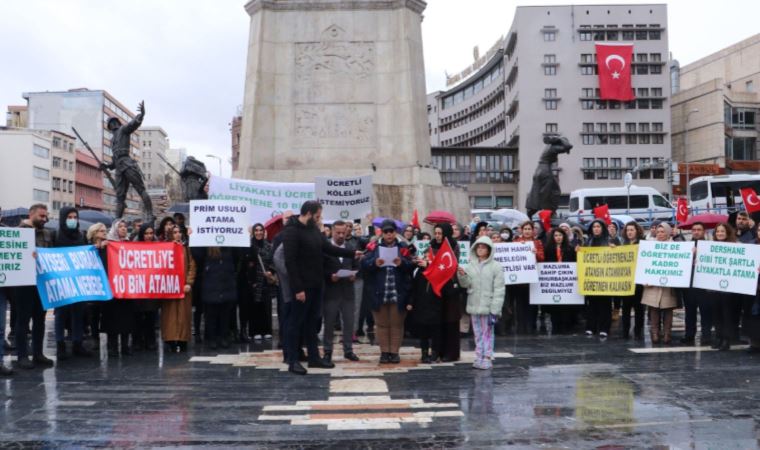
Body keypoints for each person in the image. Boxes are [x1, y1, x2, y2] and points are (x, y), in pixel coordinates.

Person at [282, 201, 359, 375]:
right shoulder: (292, 231)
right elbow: (290, 262)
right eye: (318, 216)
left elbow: (328, 248)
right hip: (302, 287)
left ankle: (314, 358)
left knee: (312, 323)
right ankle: (293, 360)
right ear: (308, 213)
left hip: (317, 285)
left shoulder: (313, 230)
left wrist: (353, 253)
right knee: (296, 324)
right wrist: (298, 289)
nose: (319, 219)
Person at [363, 219, 414, 364]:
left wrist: (402, 263)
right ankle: (384, 352)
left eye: (391, 231)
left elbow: (411, 265)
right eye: (386, 232)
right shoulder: (374, 247)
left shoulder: (403, 247)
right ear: (382, 233)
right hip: (379, 292)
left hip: (398, 292)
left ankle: (394, 352)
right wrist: (374, 263)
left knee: (396, 324)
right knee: (382, 324)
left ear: (395, 232)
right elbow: (364, 264)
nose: (389, 234)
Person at [411, 223, 461, 363]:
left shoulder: (453, 246)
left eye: (440, 233)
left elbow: (450, 266)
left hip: (449, 287)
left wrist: (430, 266)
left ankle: (449, 353)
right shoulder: (431, 245)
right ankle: (435, 351)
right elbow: (426, 260)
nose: (437, 236)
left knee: (449, 321)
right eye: (436, 233)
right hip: (434, 290)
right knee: (436, 323)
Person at [14, 204, 55, 369]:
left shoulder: (47, 234)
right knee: (23, 320)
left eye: (46, 216)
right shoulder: (18, 231)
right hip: (24, 284)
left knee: (40, 319)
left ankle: (38, 353)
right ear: (31, 215)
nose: (44, 219)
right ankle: (22, 356)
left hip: (41, 283)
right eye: (41, 216)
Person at [52, 207, 93, 360]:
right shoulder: (56, 235)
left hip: (79, 280)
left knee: (78, 312)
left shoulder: (81, 235)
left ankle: (77, 343)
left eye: (74, 217)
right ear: (63, 218)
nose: (72, 219)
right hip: (61, 280)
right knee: (61, 314)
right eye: (69, 217)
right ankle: (60, 345)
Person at [457, 236, 505, 370]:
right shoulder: (470, 265)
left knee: (487, 333)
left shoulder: (496, 266)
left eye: (483, 247)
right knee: (477, 333)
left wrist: (495, 308)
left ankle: (487, 357)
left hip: (488, 305)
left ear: (489, 250)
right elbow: (466, 284)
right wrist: (462, 275)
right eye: (478, 246)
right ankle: (479, 356)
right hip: (474, 304)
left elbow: (499, 289)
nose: (480, 249)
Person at [101, 101, 153, 220]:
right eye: (111, 123)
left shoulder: (123, 130)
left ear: (118, 123)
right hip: (119, 168)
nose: (113, 125)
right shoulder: (111, 141)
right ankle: (117, 222)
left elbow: (133, 124)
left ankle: (150, 214)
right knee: (120, 197)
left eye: (114, 122)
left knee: (140, 189)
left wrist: (142, 115)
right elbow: (114, 162)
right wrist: (107, 166)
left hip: (127, 163)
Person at [322, 220, 360, 363]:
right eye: (337, 233)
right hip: (331, 291)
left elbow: (357, 265)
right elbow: (320, 268)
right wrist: (330, 276)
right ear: (332, 231)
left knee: (349, 322)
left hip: (347, 291)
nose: (340, 235)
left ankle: (348, 350)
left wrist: (354, 275)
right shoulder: (325, 247)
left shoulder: (351, 247)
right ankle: (327, 351)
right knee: (330, 323)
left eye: (343, 233)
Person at [642, 222, 679, 345]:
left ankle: (667, 333)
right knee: (654, 309)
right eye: (658, 232)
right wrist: (644, 279)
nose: (660, 234)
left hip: (669, 285)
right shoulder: (650, 246)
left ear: (668, 233)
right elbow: (644, 264)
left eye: (663, 231)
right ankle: (655, 333)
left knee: (668, 309)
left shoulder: (676, 247)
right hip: (652, 285)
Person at [103, 219, 135, 357]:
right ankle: (112, 347)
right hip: (112, 288)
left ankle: (125, 345)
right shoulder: (108, 245)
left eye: (125, 227)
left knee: (126, 318)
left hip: (127, 287)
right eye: (120, 226)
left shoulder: (130, 244)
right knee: (112, 318)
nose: (123, 229)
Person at [196, 246, 239, 350]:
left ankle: (224, 337)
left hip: (226, 285)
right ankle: (212, 339)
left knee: (225, 315)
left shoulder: (229, 247)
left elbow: (238, 255)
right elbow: (197, 254)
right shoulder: (206, 249)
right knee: (211, 316)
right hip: (211, 286)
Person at [161, 225, 196, 353]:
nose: (177, 234)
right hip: (168, 288)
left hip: (183, 288)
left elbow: (192, 266)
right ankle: (169, 340)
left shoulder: (186, 249)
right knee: (169, 316)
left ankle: (182, 340)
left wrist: (189, 283)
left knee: (183, 315)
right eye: (174, 232)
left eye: (179, 232)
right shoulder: (164, 249)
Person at [709, 223, 741, 351]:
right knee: (716, 314)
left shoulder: (736, 246)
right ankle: (719, 337)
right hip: (714, 288)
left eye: (722, 231)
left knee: (727, 314)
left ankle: (727, 340)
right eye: (717, 232)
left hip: (729, 289)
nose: (720, 234)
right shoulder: (710, 247)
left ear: (727, 232)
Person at [681, 221, 712, 345]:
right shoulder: (686, 246)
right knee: (689, 312)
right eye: (694, 230)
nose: (696, 232)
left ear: (704, 231)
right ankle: (689, 335)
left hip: (704, 285)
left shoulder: (710, 246)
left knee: (705, 312)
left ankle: (706, 335)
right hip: (689, 285)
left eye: (699, 229)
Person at [244, 223, 276, 341]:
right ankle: (255, 331)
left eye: (260, 230)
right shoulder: (249, 245)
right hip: (254, 281)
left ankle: (266, 330)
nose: (258, 232)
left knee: (266, 306)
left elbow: (273, 261)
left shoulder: (269, 246)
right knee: (254, 307)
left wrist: (271, 271)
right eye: (256, 230)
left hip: (266, 280)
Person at [543, 228, 577, 333]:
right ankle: (555, 327)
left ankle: (566, 327)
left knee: (566, 307)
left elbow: (576, 263)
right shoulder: (547, 249)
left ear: (564, 236)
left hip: (567, 283)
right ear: (553, 237)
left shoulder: (570, 248)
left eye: (560, 235)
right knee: (555, 306)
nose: (558, 237)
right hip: (554, 283)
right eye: (556, 235)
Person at [582, 220, 613, 338]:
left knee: (605, 304)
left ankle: (604, 328)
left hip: (605, 278)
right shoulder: (588, 242)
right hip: (591, 278)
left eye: (598, 226)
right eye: (594, 226)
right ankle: (591, 327)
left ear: (602, 228)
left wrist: (614, 249)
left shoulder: (609, 241)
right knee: (592, 304)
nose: (596, 229)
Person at [513, 221, 545, 334]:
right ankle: (521, 327)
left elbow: (542, 258)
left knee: (532, 304)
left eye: (529, 229)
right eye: (525, 229)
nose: (527, 231)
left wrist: (536, 253)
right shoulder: (516, 242)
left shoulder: (537, 243)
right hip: (520, 280)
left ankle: (531, 326)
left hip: (533, 279)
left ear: (533, 230)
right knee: (520, 304)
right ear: (521, 230)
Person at [133, 223, 161, 351]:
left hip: (151, 287)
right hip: (138, 287)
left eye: (151, 233)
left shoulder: (159, 247)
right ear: (141, 234)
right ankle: (137, 340)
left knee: (151, 315)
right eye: (146, 233)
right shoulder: (133, 247)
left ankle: (150, 340)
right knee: (138, 316)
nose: (149, 236)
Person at [620, 222, 645, 340]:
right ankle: (625, 331)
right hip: (626, 282)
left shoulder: (643, 244)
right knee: (625, 309)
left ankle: (638, 331)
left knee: (639, 309)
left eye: (632, 230)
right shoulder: (623, 244)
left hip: (638, 283)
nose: (629, 232)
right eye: (628, 230)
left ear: (637, 231)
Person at [85, 222, 108, 346]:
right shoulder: (87, 247)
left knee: (106, 311)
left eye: (105, 231)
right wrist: (96, 248)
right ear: (94, 233)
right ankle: (95, 337)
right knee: (93, 312)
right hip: (93, 284)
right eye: (101, 231)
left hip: (105, 282)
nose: (105, 233)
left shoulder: (109, 246)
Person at [743, 225, 760, 353]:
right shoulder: (750, 245)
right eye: (759, 230)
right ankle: (754, 343)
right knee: (753, 315)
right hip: (752, 287)